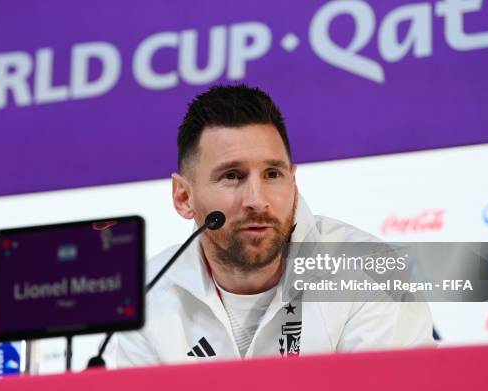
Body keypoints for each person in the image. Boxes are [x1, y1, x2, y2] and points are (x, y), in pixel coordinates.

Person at [107, 85, 434, 366]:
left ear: (293, 181)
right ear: (183, 197)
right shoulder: (148, 296)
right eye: (232, 176)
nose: (257, 200)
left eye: (272, 175)